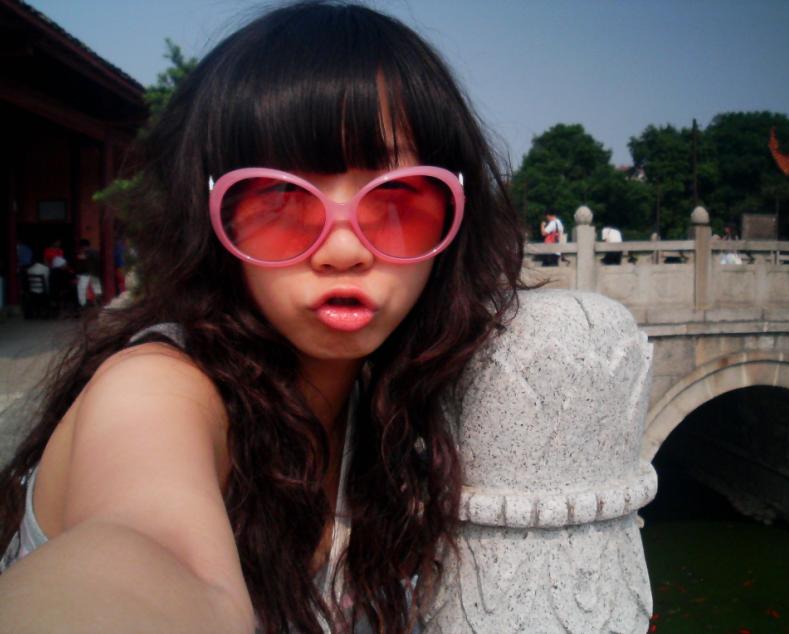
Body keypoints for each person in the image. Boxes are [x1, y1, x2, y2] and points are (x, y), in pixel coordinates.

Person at [0, 3, 523, 633]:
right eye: (281, 201)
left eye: (395, 201)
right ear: (211, 219)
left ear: (455, 218)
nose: (343, 250)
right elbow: (143, 553)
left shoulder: (392, 408)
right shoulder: (156, 390)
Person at [74, 238, 102, 307]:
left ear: (83, 246)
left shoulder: (88, 252)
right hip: (95, 273)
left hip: (86, 273)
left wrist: (76, 255)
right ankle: (97, 303)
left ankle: (83, 305)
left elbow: (81, 258)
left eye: (81, 247)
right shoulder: (96, 252)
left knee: (82, 289)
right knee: (96, 289)